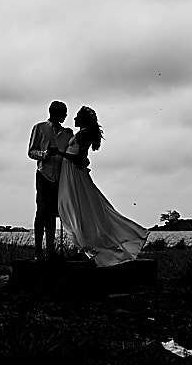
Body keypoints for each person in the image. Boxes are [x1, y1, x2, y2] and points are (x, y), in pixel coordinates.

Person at [57, 106, 149, 266]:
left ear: (83, 119)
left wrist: (58, 153)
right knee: (79, 207)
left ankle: (96, 242)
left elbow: (78, 158)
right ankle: (86, 244)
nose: (74, 118)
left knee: (81, 207)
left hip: (74, 174)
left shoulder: (83, 134)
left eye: (77, 116)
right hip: (71, 173)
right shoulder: (81, 133)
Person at [27, 101, 73, 260]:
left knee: (53, 213)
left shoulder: (67, 134)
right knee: (41, 212)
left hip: (60, 178)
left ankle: (51, 251)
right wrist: (45, 154)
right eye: (64, 113)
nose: (66, 116)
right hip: (43, 175)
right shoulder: (39, 128)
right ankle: (38, 251)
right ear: (55, 113)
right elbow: (31, 151)